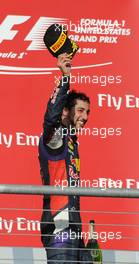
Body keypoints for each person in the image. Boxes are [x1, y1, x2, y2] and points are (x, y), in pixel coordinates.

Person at [38, 53, 92, 263]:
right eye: (80, 111)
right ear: (65, 112)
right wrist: (65, 78)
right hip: (59, 226)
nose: (85, 117)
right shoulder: (55, 140)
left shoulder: (71, 142)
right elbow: (50, 121)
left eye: (87, 112)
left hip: (74, 227)